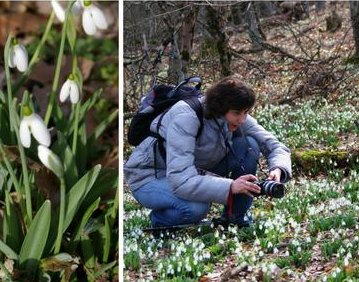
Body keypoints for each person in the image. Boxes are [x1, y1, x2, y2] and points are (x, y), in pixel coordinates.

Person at [124, 76, 292, 228]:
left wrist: (277, 169)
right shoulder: (186, 117)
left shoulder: (235, 116)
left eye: (246, 112)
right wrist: (231, 186)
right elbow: (180, 180)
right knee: (196, 208)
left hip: (194, 169)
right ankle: (162, 221)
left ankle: (236, 218)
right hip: (151, 176)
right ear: (220, 108)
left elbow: (273, 145)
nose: (242, 119)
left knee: (250, 145)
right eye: (236, 114)